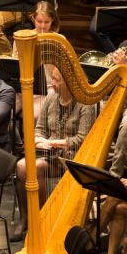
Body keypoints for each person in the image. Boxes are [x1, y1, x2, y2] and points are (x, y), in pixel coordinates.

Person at [11, 67, 95, 241]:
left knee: (32, 167)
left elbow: (82, 138)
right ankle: (26, 218)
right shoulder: (51, 97)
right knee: (21, 166)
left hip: (73, 159)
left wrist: (56, 143)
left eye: (56, 80)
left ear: (70, 82)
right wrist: (40, 141)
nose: (52, 83)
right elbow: (39, 129)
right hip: (50, 155)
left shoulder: (86, 104)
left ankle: (42, 220)